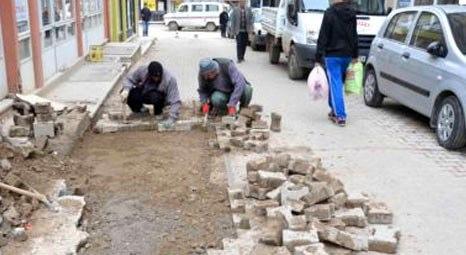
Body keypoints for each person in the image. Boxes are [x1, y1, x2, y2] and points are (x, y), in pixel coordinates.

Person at [315, 0, 358, 127]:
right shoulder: (352, 14)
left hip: (333, 55)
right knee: (332, 82)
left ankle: (340, 115)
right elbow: (354, 35)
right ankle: (334, 110)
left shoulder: (329, 13)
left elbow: (323, 36)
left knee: (335, 84)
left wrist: (318, 57)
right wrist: (355, 55)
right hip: (347, 55)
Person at [120, 61, 181, 128]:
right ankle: (141, 110)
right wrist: (126, 89)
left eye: (158, 77)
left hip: (159, 98)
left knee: (156, 97)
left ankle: (158, 113)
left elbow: (175, 100)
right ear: (149, 74)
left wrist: (172, 118)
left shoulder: (170, 79)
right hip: (145, 91)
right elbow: (129, 79)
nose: (156, 78)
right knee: (131, 94)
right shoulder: (142, 70)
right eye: (154, 77)